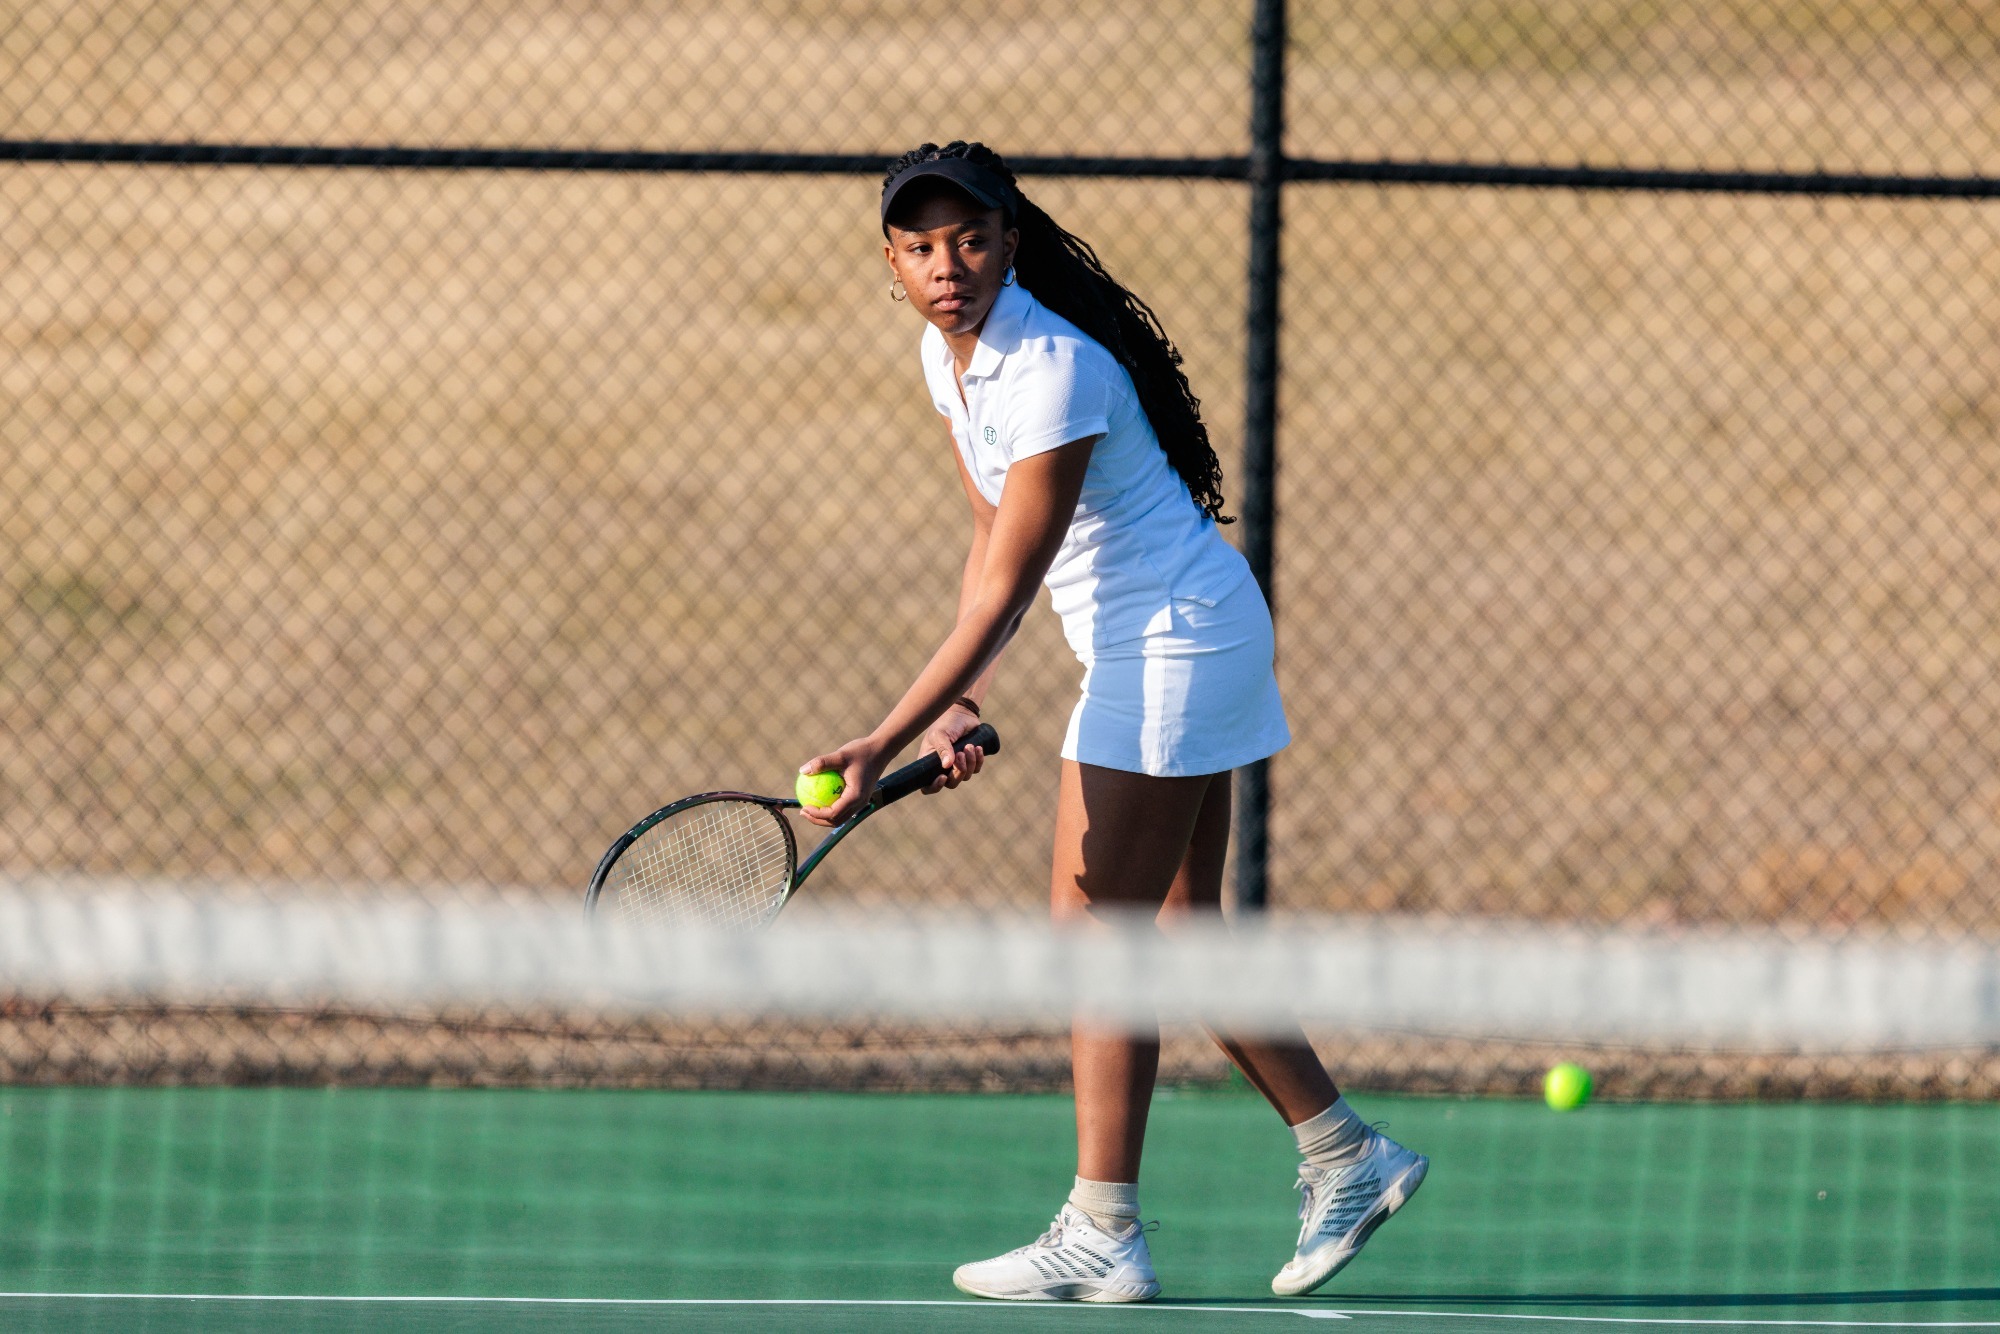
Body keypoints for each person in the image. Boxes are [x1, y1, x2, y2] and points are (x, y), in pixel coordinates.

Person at [798, 141, 1427, 1303]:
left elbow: (1010, 584)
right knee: (1176, 930)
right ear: (891, 265)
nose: (950, 266)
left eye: (972, 239)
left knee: (1095, 935)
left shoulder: (1050, 368)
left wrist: (885, 735)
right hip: (1185, 633)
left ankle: (1102, 1227)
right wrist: (965, 702)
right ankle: (1346, 1154)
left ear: (1009, 242)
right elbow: (991, 538)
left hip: (1173, 640)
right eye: (921, 247)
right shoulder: (952, 365)